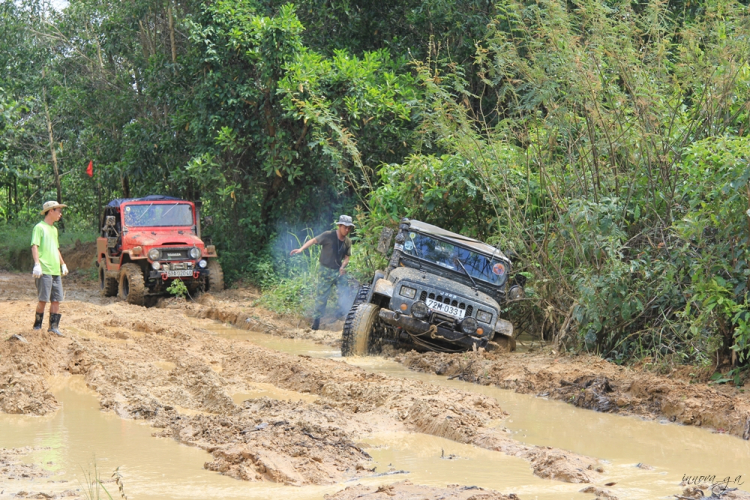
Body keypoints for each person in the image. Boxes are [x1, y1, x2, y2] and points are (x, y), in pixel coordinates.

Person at [290, 215, 354, 330]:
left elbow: (346, 258)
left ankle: (339, 315)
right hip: (325, 271)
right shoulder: (328, 235)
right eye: (345, 227)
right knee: (321, 297)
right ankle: (316, 322)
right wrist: (301, 249)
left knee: (345, 290)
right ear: (339, 226)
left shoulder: (348, 241)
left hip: (338, 271)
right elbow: (313, 240)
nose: (347, 230)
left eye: (349, 228)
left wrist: (343, 266)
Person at [31, 201, 69, 336]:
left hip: (55, 270)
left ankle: (53, 327)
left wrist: (62, 264)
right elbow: (34, 245)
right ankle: (37, 327)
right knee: (43, 300)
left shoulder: (54, 230)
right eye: (58, 210)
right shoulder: (39, 228)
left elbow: (56, 248)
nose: (60, 214)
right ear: (50, 211)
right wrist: (37, 264)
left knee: (56, 299)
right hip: (44, 269)